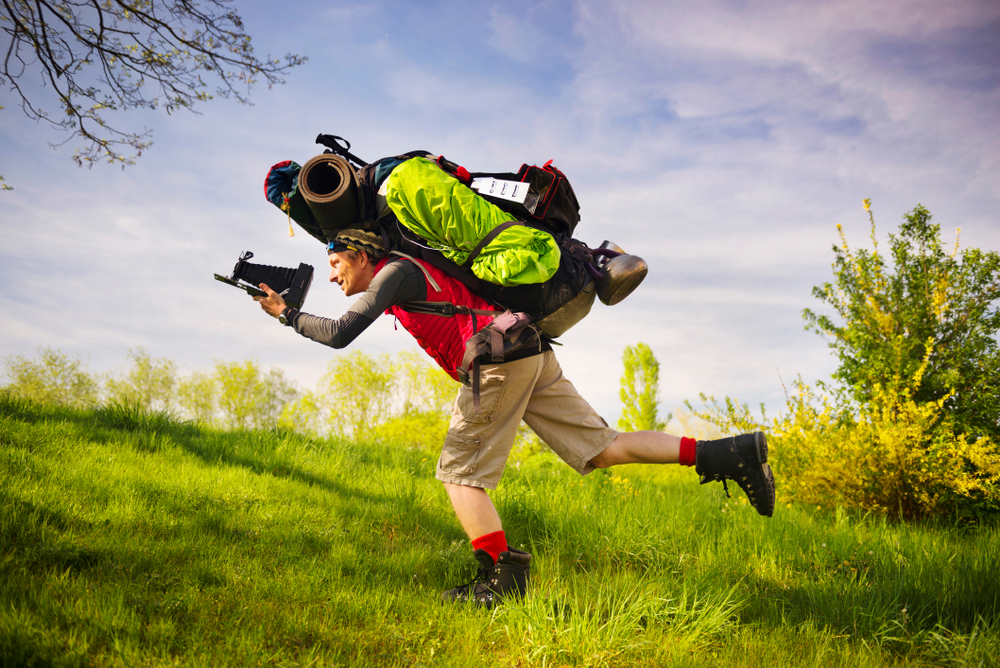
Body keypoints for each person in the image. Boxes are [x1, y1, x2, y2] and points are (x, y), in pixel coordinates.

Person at [252, 225, 776, 609]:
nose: (331, 271)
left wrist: (286, 314)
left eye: (338, 261)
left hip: (499, 361)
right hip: (526, 347)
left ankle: (501, 580)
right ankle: (730, 453)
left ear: (364, 252)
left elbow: (341, 332)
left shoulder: (394, 272)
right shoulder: (408, 273)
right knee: (601, 448)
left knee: (459, 476)